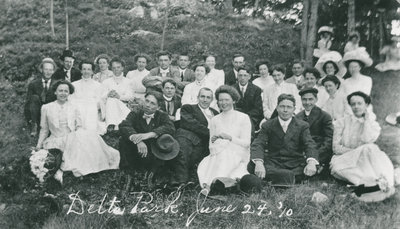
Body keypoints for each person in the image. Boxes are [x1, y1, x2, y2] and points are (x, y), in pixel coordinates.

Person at [35, 80, 120, 178]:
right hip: (56, 140)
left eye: (66, 91)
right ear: (55, 92)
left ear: (69, 93)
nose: (63, 93)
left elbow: (79, 125)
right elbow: (44, 129)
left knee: (89, 136)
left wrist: (79, 134)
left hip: (72, 137)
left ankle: (93, 166)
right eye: (60, 91)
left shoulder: (74, 107)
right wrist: (39, 145)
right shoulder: (46, 108)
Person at [330, 91, 396, 202]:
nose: (356, 107)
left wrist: (366, 121)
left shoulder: (373, 125)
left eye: (359, 103)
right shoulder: (341, 122)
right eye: (353, 104)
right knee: (340, 168)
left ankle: (379, 183)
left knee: (370, 148)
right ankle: (374, 185)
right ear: (350, 106)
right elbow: (336, 148)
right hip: (344, 158)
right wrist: (357, 152)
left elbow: (366, 140)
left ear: (366, 105)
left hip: (365, 158)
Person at [250, 94, 319, 185]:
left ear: (294, 109)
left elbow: (309, 144)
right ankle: (289, 178)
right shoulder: (268, 125)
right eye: (282, 106)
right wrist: (259, 163)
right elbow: (259, 143)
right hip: (274, 162)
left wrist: (311, 162)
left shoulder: (302, 125)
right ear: (277, 108)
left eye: (289, 107)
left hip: (295, 163)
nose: (285, 110)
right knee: (253, 166)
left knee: (311, 167)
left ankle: (281, 178)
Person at [197, 85, 252, 190]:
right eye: (220, 100)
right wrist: (219, 145)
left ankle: (213, 185)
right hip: (218, 152)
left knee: (225, 155)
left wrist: (229, 138)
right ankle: (218, 184)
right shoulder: (215, 120)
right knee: (207, 163)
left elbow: (246, 143)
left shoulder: (243, 117)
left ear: (234, 101)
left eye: (227, 99)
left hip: (238, 152)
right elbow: (211, 145)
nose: (223, 103)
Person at [118, 91, 176, 184]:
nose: (148, 105)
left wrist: (150, 134)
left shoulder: (162, 116)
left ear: (158, 107)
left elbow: (170, 127)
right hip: (136, 152)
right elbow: (124, 126)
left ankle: (152, 175)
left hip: (153, 154)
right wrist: (137, 140)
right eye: (147, 101)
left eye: (152, 103)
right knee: (123, 140)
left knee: (164, 140)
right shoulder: (135, 113)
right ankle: (128, 174)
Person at [174, 88, 219, 184]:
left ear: (212, 100)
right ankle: (181, 182)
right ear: (197, 97)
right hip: (193, 140)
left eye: (208, 97)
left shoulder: (216, 113)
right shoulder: (188, 108)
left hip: (211, 143)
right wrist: (211, 133)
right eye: (202, 96)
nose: (205, 100)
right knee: (184, 149)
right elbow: (192, 124)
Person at [296, 88, 333, 173]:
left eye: (310, 99)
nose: (307, 103)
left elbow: (329, 139)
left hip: (320, 149)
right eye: (304, 99)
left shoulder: (324, 116)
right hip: (303, 150)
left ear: (316, 99)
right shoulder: (298, 117)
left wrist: (317, 153)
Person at [71, 61, 106, 135]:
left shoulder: (98, 85)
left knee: (90, 108)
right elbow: (71, 100)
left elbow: (100, 101)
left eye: (89, 69)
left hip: (92, 112)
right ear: (81, 70)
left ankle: (89, 131)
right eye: (84, 69)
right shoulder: (74, 85)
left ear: (92, 71)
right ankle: (79, 129)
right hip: (77, 111)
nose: (86, 71)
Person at [24, 58, 57, 137]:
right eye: (46, 69)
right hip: (37, 113)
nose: (48, 72)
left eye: (50, 70)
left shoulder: (56, 84)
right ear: (41, 70)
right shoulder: (33, 84)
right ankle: (34, 125)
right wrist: (29, 119)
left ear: (53, 71)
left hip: (51, 113)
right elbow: (28, 104)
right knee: (34, 97)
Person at [102, 56, 133, 133]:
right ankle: (115, 126)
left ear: (122, 68)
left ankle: (111, 124)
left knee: (113, 100)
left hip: (123, 106)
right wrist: (108, 94)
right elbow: (101, 96)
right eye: (114, 68)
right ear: (111, 69)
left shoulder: (128, 81)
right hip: (109, 107)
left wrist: (119, 96)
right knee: (111, 99)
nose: (116, 70)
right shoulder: (106, 82)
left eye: (118, 67)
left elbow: (130, 97)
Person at [233, 66, 263, 130]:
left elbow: (258, 108)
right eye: (240, 75)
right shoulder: (232, 89)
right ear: (237, 76)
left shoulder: (256, 89)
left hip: (251, 118)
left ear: (249, 77)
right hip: (235, 118)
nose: (242, 78)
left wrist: (245, 117)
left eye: (245, 75)